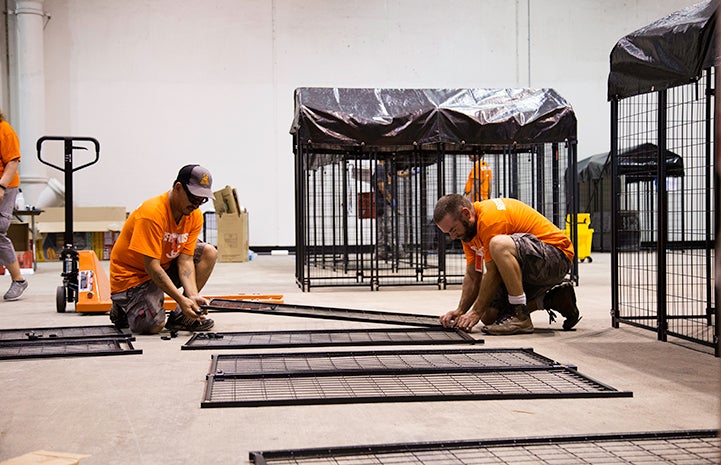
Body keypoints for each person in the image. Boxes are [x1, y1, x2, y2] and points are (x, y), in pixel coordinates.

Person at [434, 194, 580, 335]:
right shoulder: (468, 233)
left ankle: (521, 316)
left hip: (557, 257)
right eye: (448, 233)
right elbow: (473, 276)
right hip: (530, 264)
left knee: (499, 244)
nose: (452, 236)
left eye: (453, 229)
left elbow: (493, 273)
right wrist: (461, 311)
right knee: (488, 315)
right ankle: (554, 298)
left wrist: (475, 312)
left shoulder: (490, 219)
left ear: (466, 214)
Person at [109, 165, 217, 334]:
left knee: (208, 252)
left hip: (162, 267)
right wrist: (180, 298)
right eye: (193, 198)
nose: (196, 205)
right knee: (152, 326)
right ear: (178, 188)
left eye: (202, 200)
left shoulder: (193, 215)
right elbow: (151, 266)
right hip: (133, 279)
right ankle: (121, 307)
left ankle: (182, 317)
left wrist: (192, 296)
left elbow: (185, 260)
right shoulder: (152, 214)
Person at [0, 111, 28, 301]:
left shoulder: (4, 130)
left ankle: (18, 280)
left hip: (5, 185)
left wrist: (1, 185)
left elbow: (13, 161)